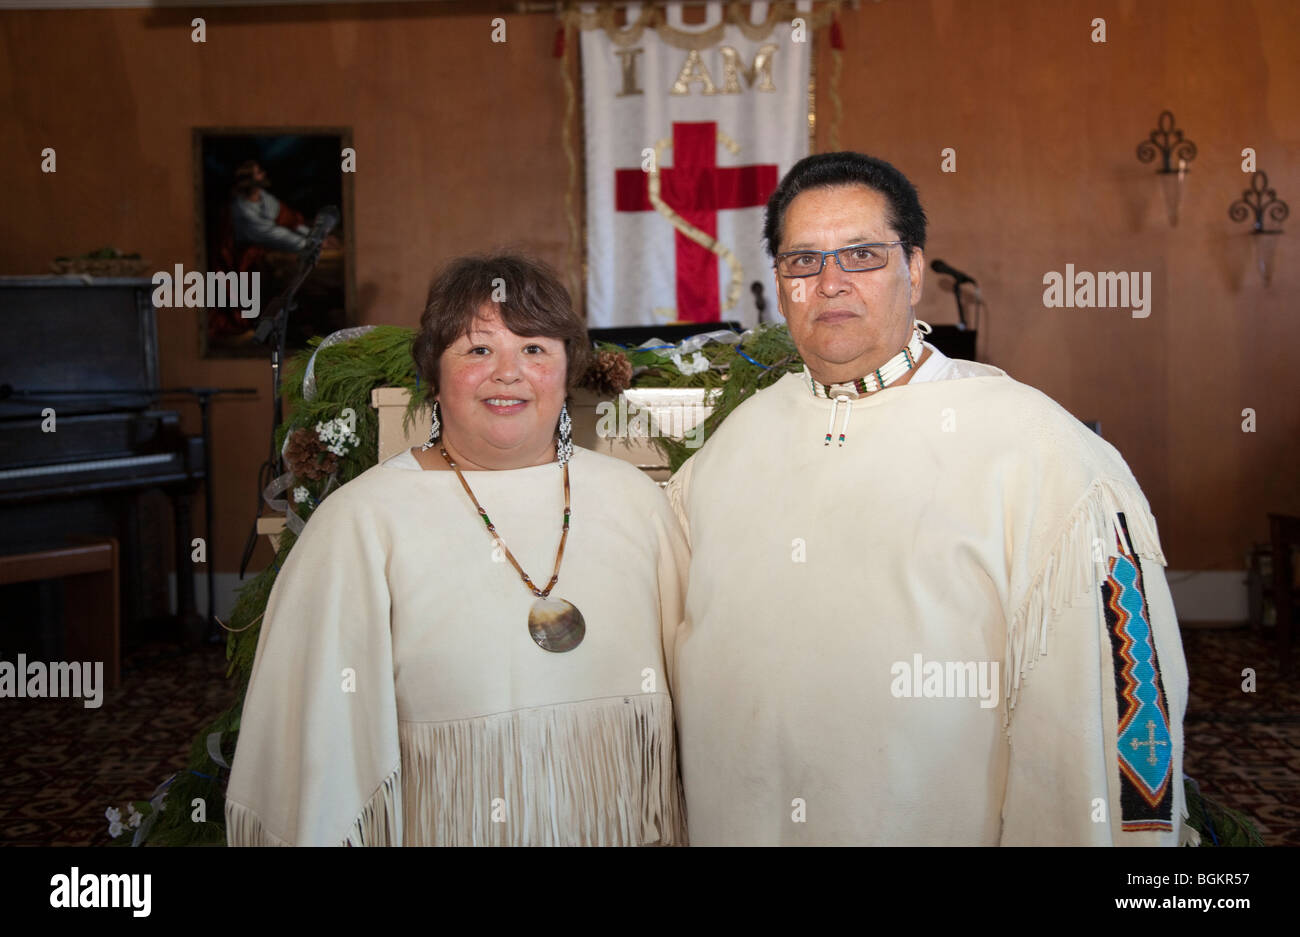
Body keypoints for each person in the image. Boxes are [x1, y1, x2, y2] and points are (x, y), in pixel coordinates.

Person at [666, 152, 1189, 846]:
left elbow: (1104, 721)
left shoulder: (1043, 455)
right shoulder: (731, 447)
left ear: (913, 269)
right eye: (803, 262)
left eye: (861, 254)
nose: (830, 284)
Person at [226, 254, 688, 845]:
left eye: (535, 349)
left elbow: (701, 688)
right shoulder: (361, 521)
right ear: (433, 378)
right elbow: (317, 745)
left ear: (568, 369)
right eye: (477, 350)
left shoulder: (634, 500)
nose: (508, 373)